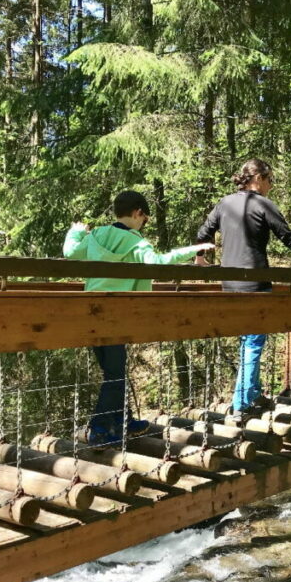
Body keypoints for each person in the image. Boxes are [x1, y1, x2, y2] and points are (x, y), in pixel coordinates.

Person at [64, 190, 215, 444]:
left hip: (90, 312)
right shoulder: (137, 243)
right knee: (115, 374)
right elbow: (159, 262)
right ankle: (99, 427)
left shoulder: (96, 235)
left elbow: (70, 254)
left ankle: (125, 419)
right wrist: (194, 249)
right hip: (118, 315)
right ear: (138, 213)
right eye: (144, 220)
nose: (143, 225)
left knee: (113, 369)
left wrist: (76, 231)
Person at [196, 159, 291, 422]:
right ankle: (240, 406)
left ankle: (252, 394)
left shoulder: (225, 203)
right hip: (256, 284)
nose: (271, 185)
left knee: (247, 341)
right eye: (270, 179)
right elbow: (289, 237)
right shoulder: (263, 204)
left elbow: (205, 231)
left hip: (229, 285)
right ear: (259, 178)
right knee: (252, 342)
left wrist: (200, 260)